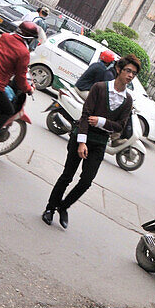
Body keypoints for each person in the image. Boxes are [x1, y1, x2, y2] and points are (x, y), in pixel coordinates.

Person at [42, 56, 138, 229]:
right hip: (82, 136)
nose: (130, 76)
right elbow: (86, 115)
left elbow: (119, 127)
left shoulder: (127, 100)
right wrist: (81, 142)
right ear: (118, 70)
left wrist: (101, 121)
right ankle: (50, 208)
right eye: (128, 71)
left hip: (100, 142)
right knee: (67, 176)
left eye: (134, 73)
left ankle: (63, 206)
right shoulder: (100, 88)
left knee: (86, 181)